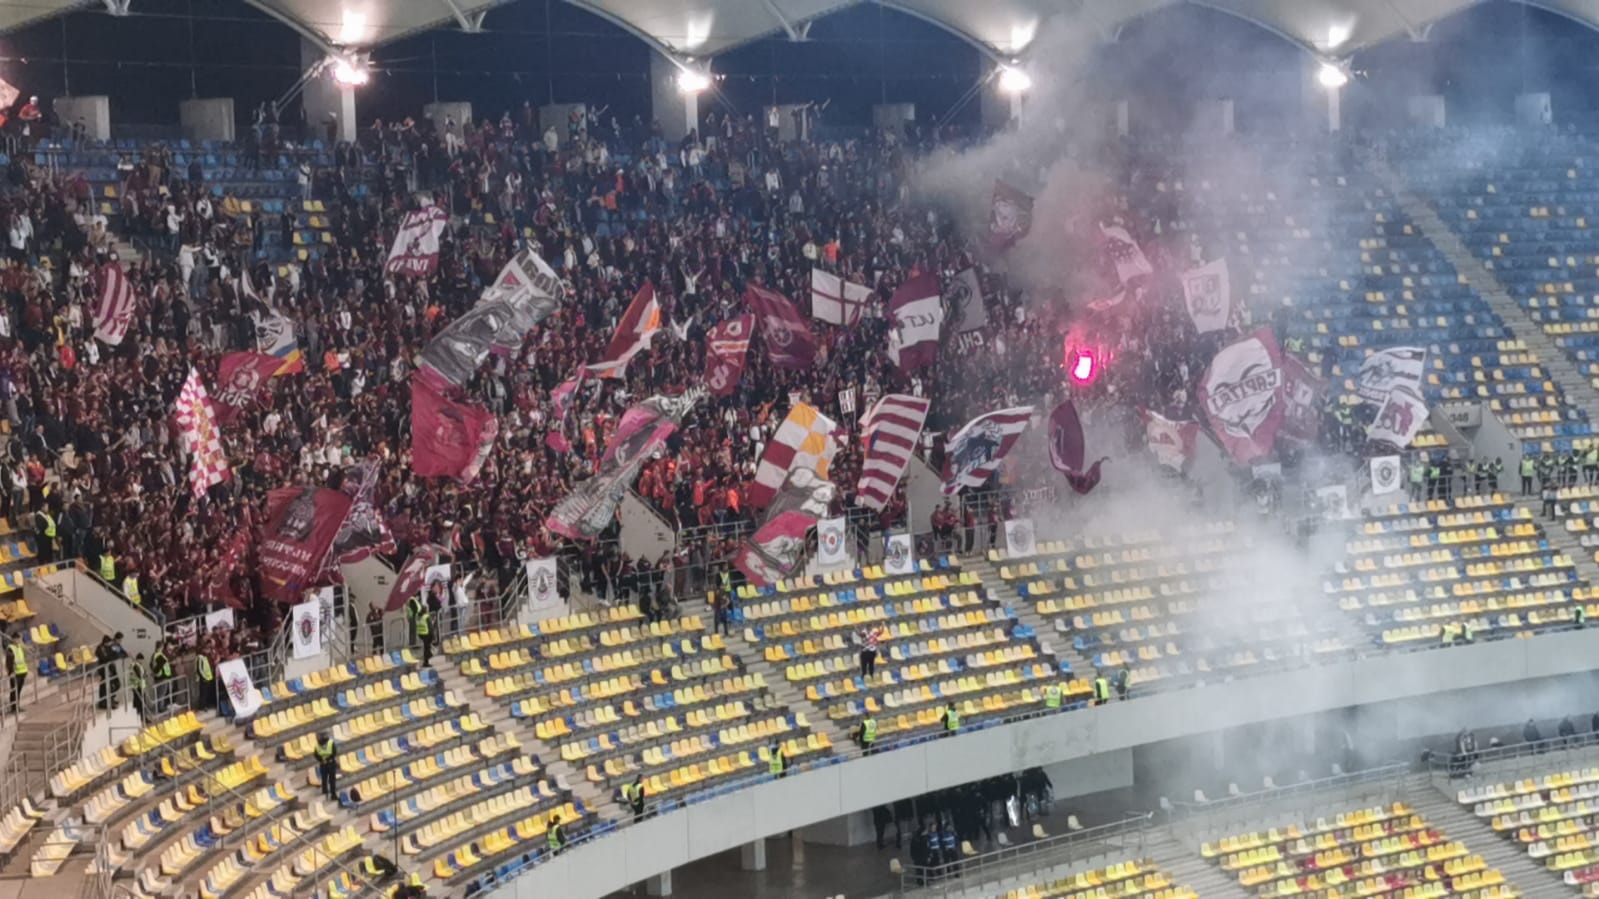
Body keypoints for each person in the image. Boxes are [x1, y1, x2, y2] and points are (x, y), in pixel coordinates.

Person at [94, 632, 125, 710]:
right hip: (104, 670)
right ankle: (104, 703)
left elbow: (119, 653)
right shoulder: (100, 648)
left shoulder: (110, 646)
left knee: (117, 684)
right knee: (106, 687)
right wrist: (114, 656)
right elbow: (105, 658)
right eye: (108, 643)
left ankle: (110, 699)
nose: (110, 645)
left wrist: (116, 656)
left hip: (111, 668)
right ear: (105, 643)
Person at [5, 628, 26, 711]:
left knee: (19, 690)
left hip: (22, 672)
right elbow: (9, 662)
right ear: (14, 639)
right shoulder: (11, 648)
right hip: (15, 673)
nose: (20, 640)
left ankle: (17, 706)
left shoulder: (19, 647)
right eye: (18, 638)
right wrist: (11, 672)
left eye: (20, 638)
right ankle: (14, 708)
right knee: (14, 691)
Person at [315, 731, 339, 801]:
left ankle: (325, 792)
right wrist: (328, 759)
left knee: (324, 779)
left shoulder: (318, 745)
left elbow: (316, 755)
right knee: (332, 780)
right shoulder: (331, 743)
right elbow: (334, 753)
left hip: (323, 764)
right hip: (330, 763)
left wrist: (322, 760)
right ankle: (333, 794)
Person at [128, 652, 148, 724]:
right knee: (141, 703)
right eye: (141, 660)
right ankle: (143, 718)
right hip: (138, 687)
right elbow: (140, 675)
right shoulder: (135, 665)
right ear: (139, 659)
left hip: (138, 686)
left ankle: (143, 717)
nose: (142, 662)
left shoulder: (136, 665)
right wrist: (145, 675)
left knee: (141, 702)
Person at [415, 600, 435, 667]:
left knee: (426, 647)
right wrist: (433, 636)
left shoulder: (419, 616)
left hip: (421, 634)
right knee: (427, 648)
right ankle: (426, 661)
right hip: (427, 634)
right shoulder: (426, 617)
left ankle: (427, 659)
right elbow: (430, 627)